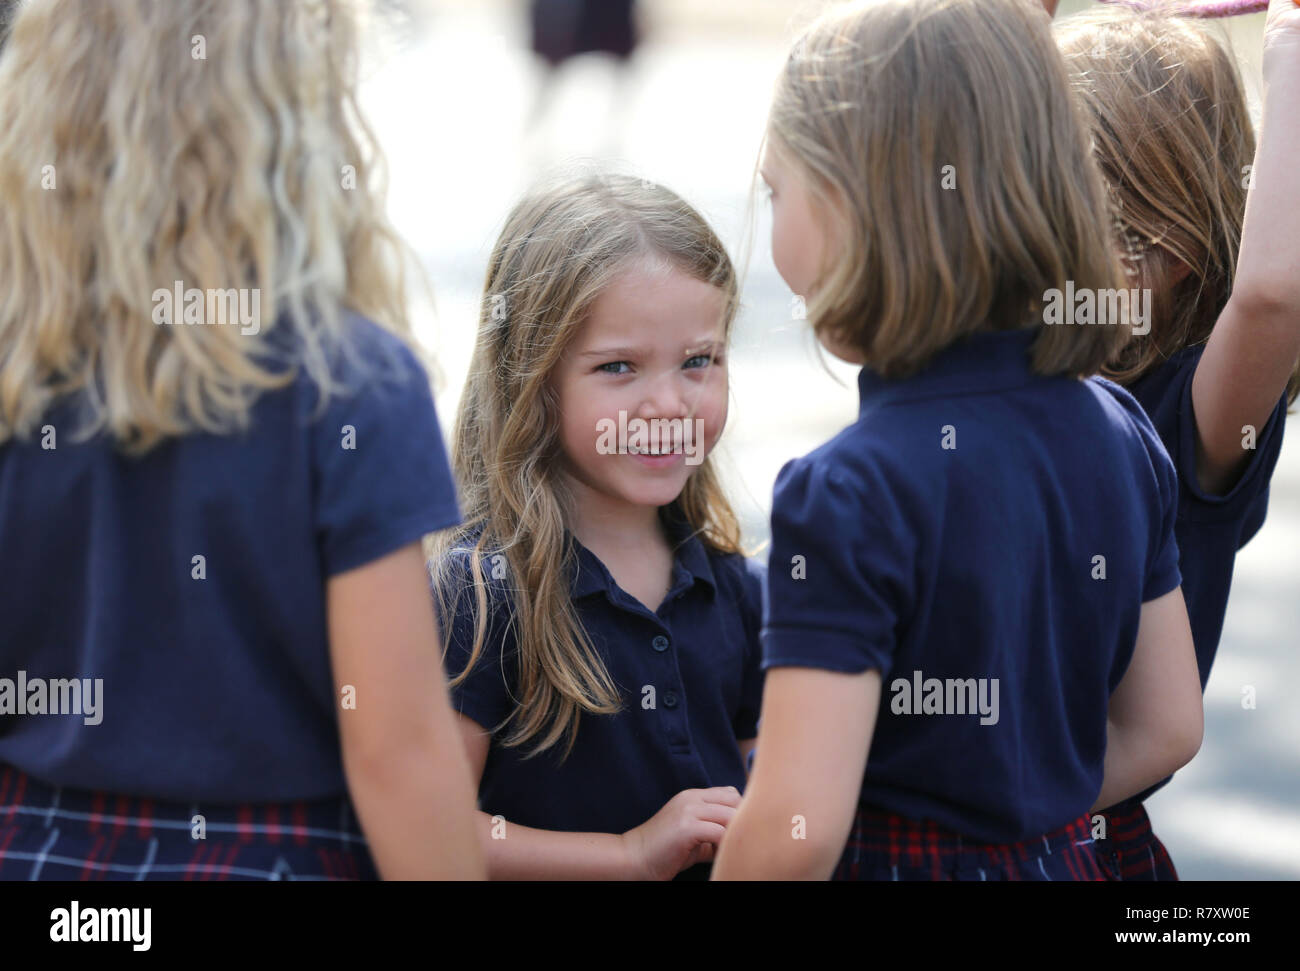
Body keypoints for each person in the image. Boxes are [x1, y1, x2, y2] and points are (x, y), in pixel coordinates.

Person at [713, 0, 1203, 881]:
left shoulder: (848, 493)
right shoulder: (1120, 429)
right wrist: (1016, 829)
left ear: (855, 209)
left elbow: (796, 825)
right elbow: (1168, 725)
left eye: (777, 191)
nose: (770, 222)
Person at [0, 0, 482, 881]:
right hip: (276, 857)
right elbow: (397, 751)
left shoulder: (17, 369)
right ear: (302, 109)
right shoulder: (352, 387)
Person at [430, 172, 764, 880]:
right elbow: (429, 828)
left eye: (699, 360)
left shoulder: (732, 585)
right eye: (618, 367)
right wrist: (627, 854)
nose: (668, 402)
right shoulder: (480, 593)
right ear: (534, 382)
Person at [1056, 0, 1300, 880]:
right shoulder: (1004, 371)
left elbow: (1275, 289)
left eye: (1103, 224)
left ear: (1180, 242)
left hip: (1077, 845)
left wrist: (1289, 37)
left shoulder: (1193, 412)